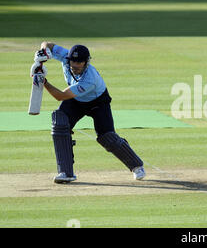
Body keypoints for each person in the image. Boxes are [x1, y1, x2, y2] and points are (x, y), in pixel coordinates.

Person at [31, 42, 146, 183]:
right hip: (76, 100)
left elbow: (60, 96)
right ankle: (66, 172)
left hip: (98, 103)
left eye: (80, 63)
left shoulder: (89, 79)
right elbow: (47, 44)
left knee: (107, 137)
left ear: (86, 62)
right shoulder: (66, 56)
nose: (75, 66)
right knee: (60, 123)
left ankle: (136, 166)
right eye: (73, 63)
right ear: (69, 59)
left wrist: (43, 81)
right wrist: (43, 52)